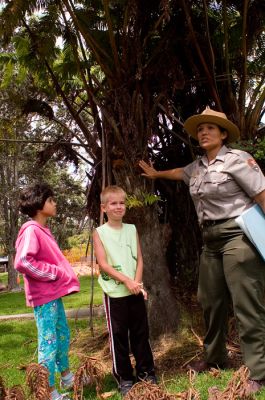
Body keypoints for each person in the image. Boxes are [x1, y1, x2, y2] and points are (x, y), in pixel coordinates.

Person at [139, 107, 265, 396]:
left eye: (210, 128)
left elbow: (261, 195)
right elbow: (178, 173)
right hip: (210, 240)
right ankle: (215, 358)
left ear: (223, 134)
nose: (203, 132)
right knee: (209, 299)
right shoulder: (196, 167)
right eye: (200, 129)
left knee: (246, 303)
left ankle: (258, 371)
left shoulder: (238, 160)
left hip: (239, 235)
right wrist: (156, 173)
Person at [14, 183, 80, 400]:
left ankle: (67, 378)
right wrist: (52, 272)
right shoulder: (31, 229)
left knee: (62, 334)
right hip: (43, 297)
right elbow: (23, 261)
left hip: (52, 295)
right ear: (39, 204)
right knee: (49, 342)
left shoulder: (42, 230)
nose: (55, 203)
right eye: (51, 200)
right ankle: (48, 391)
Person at [93, 185, 156, 397]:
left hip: (134, 291)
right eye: (113, 203)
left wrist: (136, 284)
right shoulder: (99, 232)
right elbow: (103, 264)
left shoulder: (131, 229)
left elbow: (139, 259)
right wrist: (127, 281)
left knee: (141, 333)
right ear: (104, 208)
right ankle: (125, 378)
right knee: (118, 337)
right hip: (114, 293)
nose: (119, 207)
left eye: (122, 203)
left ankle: (147, 373)